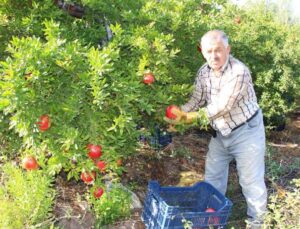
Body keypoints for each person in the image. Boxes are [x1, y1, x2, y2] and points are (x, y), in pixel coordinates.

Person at [164, 30, 267, 228]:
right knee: (213, 179)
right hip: (220, 133)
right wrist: (179, 113)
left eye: (218, 50)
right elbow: (197, 100)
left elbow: (221, 106)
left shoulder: (239, 71)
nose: (214, 55)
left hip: (246, 132)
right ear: (202, 52)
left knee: (250, 182)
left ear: (227, 49)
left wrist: (188, 118)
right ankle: (212, 219)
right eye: (209, 51)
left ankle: (258, 223)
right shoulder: (204, 72)